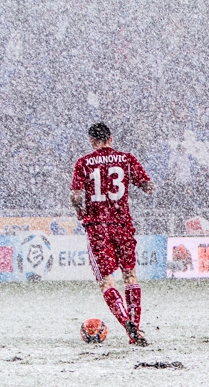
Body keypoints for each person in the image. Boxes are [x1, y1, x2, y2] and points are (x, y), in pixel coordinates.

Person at [70, 123, 155, 346]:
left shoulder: (83, 163)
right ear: (111, 138)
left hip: (98, 226)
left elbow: (75, 196)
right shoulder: (126, 159)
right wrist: (146, 185)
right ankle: (135, 330)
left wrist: (80, 211)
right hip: (122, 224)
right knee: (130, 275)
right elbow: (147, 185)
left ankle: (126, 323)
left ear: (92, 141)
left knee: (107, 281)